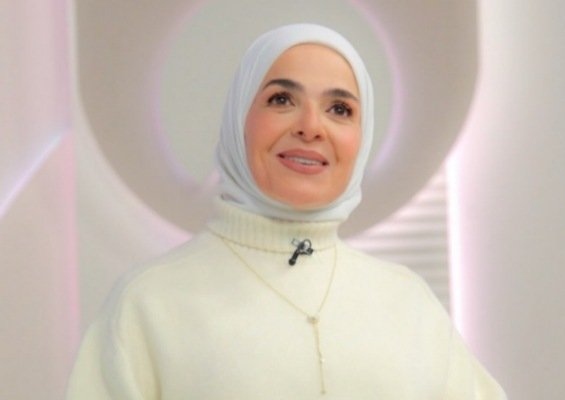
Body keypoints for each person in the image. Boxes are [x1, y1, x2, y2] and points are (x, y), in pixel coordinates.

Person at [66, 23, 506, 399]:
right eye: (281, 100)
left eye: (339, 109)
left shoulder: (407, 302)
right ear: (239, 118)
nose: (310, 127)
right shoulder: (149, 303)